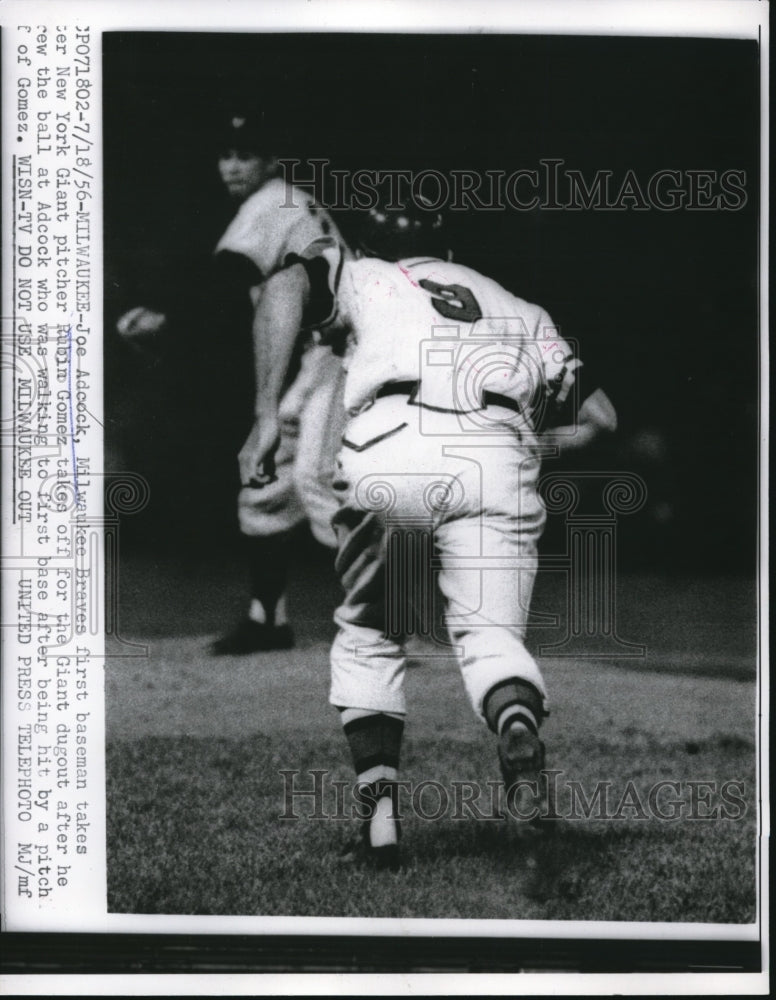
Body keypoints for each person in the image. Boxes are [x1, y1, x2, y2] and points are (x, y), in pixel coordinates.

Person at [239, 204, 618, 868]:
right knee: (491, 638)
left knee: (371, 630)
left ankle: (381, 821)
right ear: (448, 247)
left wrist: (266, 414)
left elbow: (282, 284)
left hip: (390, 440)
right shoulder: (517, 306)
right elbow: (601, 418)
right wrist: (517, 446)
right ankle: (516, 724)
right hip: (497, 450)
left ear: (369, 241)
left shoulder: (362, 272)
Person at [117, 113, 347, 654]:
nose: (233, 165)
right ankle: (268, 621)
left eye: (246, 154)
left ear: (270, 161)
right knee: (264, 490)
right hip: (320, 361)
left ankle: (387, 622)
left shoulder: (272, 202)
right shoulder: (291, 202)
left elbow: (227, 287)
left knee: (323, 486)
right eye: (226, 153)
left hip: (342, 357)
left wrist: (163, 320)